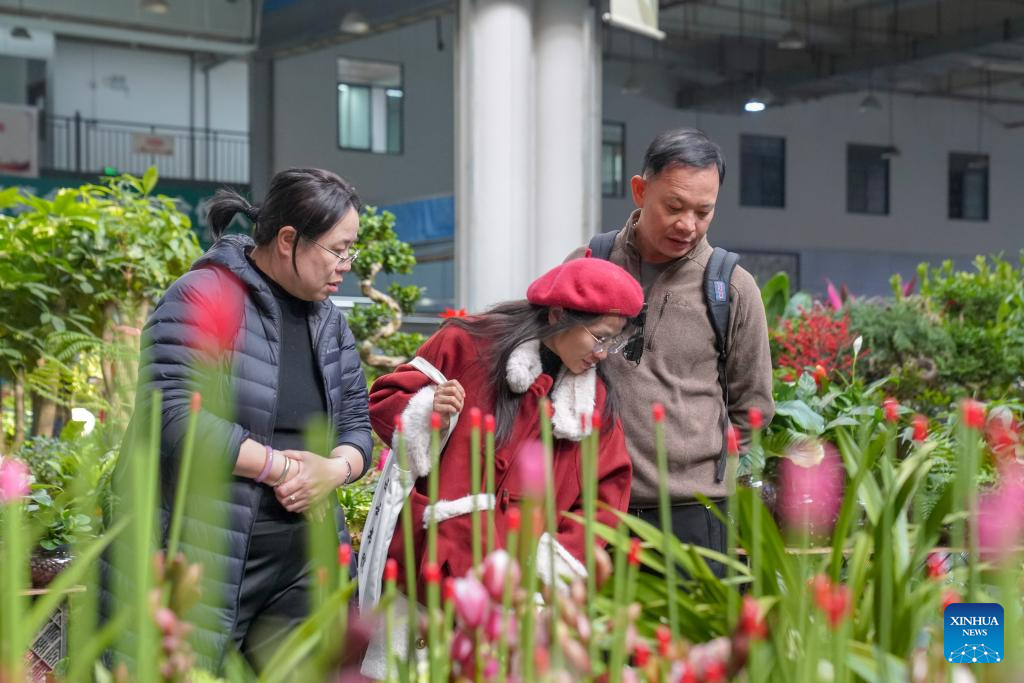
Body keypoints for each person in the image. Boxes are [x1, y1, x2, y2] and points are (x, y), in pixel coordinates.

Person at [102, 168, 373, 672]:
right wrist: (283, 469)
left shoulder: (329, 323)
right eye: (338, 250)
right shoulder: (202, 294)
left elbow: (358, 424)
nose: (345, 266)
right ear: (288, 239)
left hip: (305, 561)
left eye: (350, 252)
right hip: (205, 555)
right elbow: (172, 416)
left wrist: (334, 470)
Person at [359, 257, 642, 614]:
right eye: (599, 337)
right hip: (431, 564)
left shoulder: (593, 403)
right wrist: (430, 410)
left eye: (614, 341)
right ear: (557, 314)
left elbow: (606, 499)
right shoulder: (466, 344)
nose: (602, 354)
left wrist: (553, 563)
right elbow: (385, 401)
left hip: (521, 589)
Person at [568, 128, 774, 566]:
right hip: (592, 509)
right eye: (674, 207)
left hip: (693, 517)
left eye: (704, 211)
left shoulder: (731, 288)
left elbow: (753, 407)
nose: (688, 225)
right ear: (640, 191)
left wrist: (695, 467)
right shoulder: (589, 265)